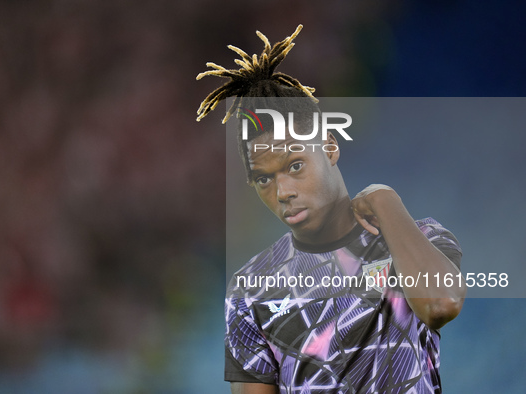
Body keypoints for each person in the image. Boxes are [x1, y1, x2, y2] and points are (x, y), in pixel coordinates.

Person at [196, 25, 466, 394]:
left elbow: (440, 303)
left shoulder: (418, 238)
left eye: (294, 166)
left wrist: (385, 200)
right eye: (263, 179)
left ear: (329, 146)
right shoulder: (250, 289)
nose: (283, 191)